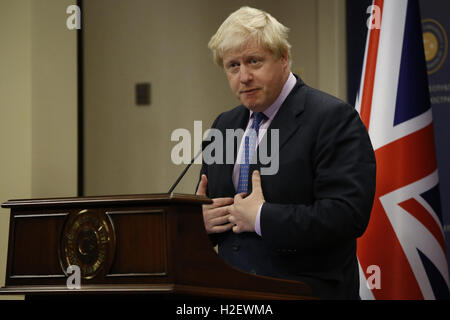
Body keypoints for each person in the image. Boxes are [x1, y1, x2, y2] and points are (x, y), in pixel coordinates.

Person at [196, 6, 376, 299]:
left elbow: (347, 215)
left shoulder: (333, 118)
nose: (244, 77)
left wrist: (262, 217)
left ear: (283, 58)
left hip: (305, 292)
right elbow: (207, 206)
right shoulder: (224, 124)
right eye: (233, 66)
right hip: (230, 291)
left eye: (254, 61)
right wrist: (200, 224)